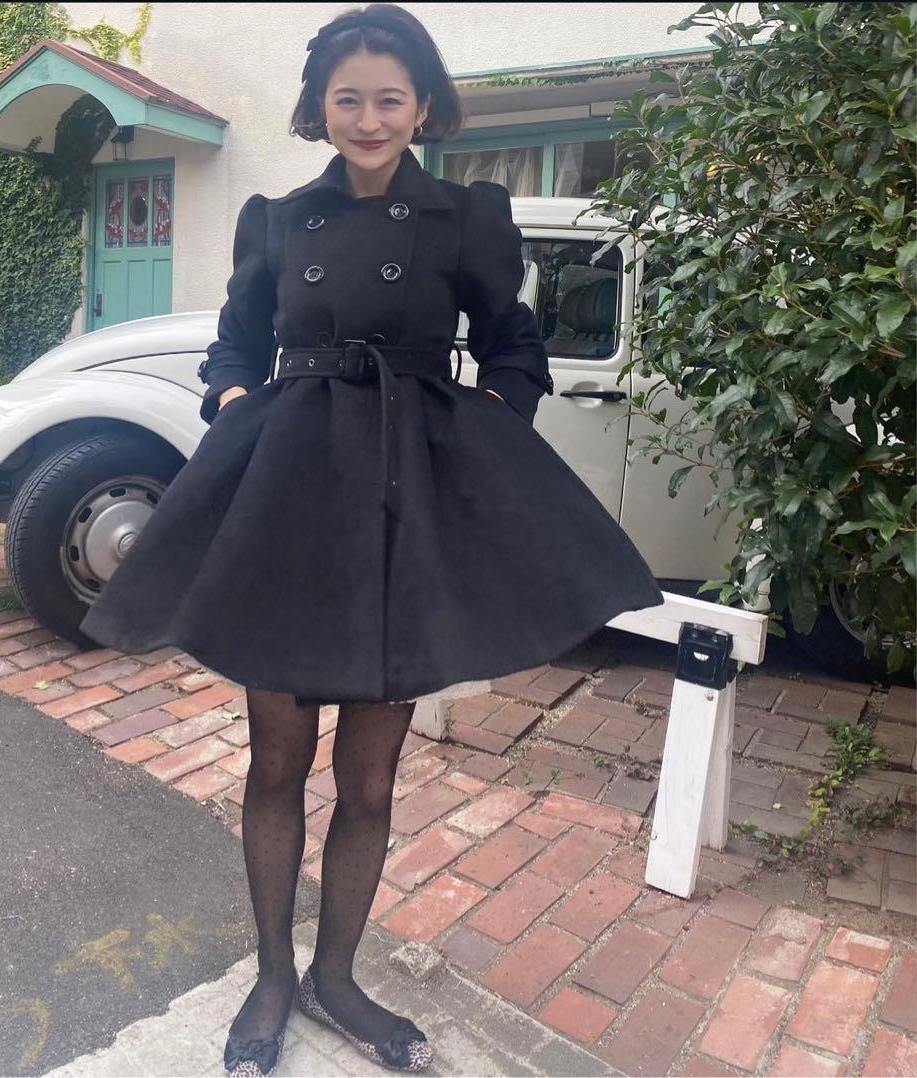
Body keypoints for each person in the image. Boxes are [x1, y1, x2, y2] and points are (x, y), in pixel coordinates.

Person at [78, 4, 665, 1074]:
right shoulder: (275, 218)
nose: (368, 117)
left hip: (402, 501)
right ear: (319, 106)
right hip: (289, 499)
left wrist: (484, 430)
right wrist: (236, 402)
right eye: (347, 98)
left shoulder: (465, 217)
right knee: (276, 761)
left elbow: (514, 344)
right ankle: (273, 975)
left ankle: (337, 976)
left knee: (372, 779)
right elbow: (234, 344)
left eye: (390, 98)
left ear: (424, 106)